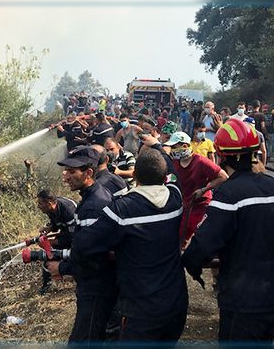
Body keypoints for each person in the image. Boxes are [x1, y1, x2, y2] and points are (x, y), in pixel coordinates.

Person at [181, 119, 274, 343]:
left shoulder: (228, 195)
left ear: (221, 155)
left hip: (241, 301)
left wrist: (189, 262)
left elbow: (204, 245)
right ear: (256, 152)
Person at [73, 142, 188, 343]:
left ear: (134, 177)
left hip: (141, 307)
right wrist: (158, 146)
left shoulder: (121, 210)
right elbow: (172, 173)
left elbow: (83, 244)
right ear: (164, 178)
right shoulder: (175, 198)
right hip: (176, 301)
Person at [47, 146, 117, 343]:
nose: (66, 177)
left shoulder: (94, 206)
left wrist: (61, 266)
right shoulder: (90, 199)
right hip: (93, 284)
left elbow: (92, 258)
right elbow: (83, 247)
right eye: (65, 171)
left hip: (96, 287)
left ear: (88, 173)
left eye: (72, 172)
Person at [164, 131, 228, 248]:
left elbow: (223, 177)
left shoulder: (200, 161)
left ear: (184, 146)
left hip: (200, 205)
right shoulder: (174, 163)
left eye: (174, 147)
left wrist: (203, 189)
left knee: (198, 238)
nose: (172, 150)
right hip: (183, 205)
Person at [35, 189, 77, 294]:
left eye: (40, 203)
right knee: (48, 257)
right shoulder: (51, 209)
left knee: (72, 258)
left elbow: (72, 237)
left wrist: (51, 242)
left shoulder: (68, 210)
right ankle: (47, 285)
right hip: (67, 233)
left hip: (78, 239)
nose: (38, 206)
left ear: (49, 203)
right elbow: (57, 224)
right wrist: (49, 228)